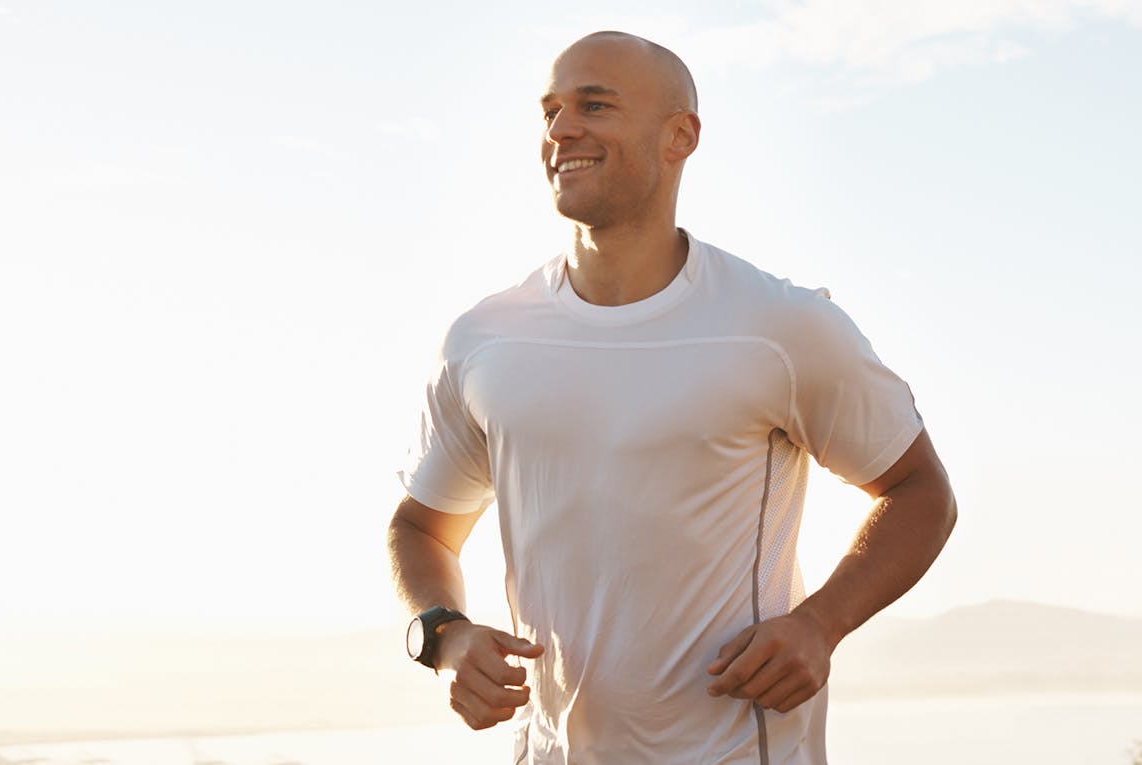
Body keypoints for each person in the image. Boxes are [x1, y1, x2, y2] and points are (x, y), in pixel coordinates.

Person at [386, 31, 959, 765]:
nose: (561, 130)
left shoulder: (780, 327)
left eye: (594, 105)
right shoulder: (486, 339)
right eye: (551, 110)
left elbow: (919, 492)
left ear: (679, 135)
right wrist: (445, 635)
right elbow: (421, 527)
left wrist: (821, 625)